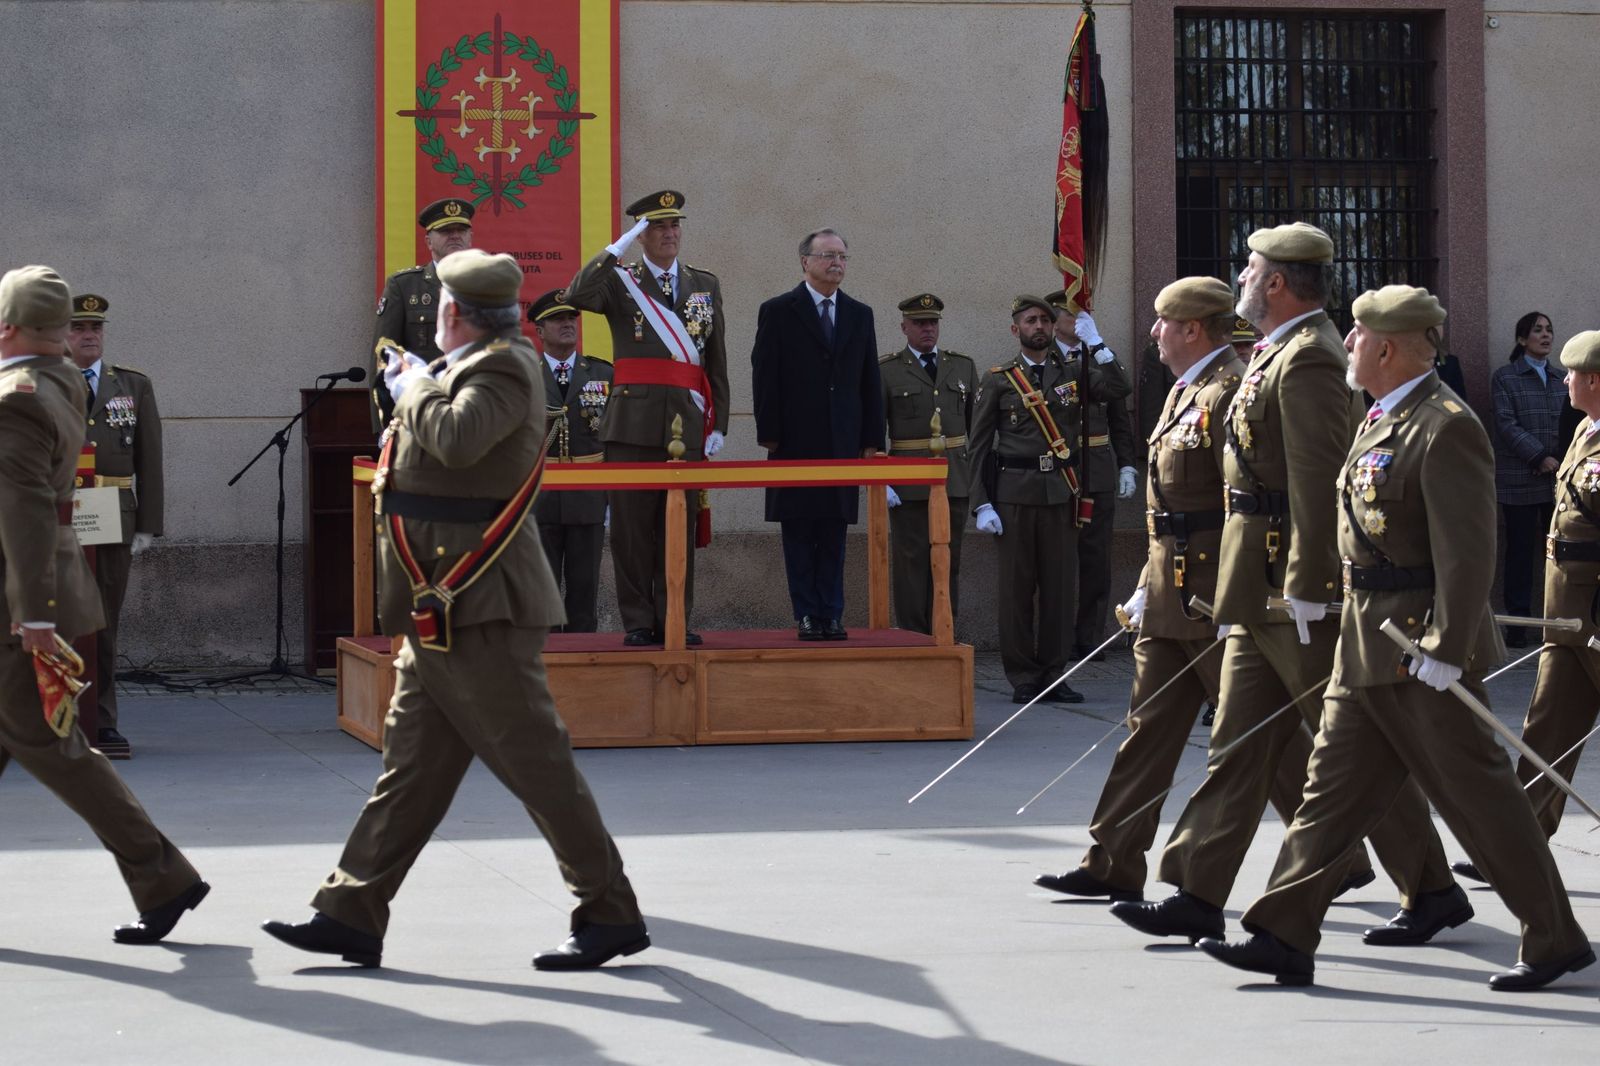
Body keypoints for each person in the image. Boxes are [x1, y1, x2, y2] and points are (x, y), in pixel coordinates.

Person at [1198, 286, 1594, 992]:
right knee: (1329, 795)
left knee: (1483, 800)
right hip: (1364, 642)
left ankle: (1554, 938)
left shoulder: (1445, 426)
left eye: (1356, 336)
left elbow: (1467, 552)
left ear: (1386, 348)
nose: (1346, 345)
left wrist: (1447, 645)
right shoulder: (1383, 417)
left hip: (1417, 651)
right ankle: (1282, 932)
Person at [264, 250, 646, 971]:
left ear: (452, 312)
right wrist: (420, 382)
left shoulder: (505, 368)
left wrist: (410, 386)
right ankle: (351, 912)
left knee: (537, 765)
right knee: (410, 772)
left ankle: (609, 912)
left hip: (483, 606)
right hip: (438, 606)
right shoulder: (460, 368)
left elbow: (457, 439)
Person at [1111, 224, 1455, 945]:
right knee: (1237, 743)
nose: (1240, 277)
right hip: (1250, 583)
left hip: (1292, 591)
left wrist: (1309, 582)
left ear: (1275, 282)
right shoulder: (1277, 350)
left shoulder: (1312, 357)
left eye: (1250, 268)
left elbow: (1320, 477)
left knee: (1349, 745)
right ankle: (1197, 891)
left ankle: (1430, 887)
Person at [1033, 277, 1358, 900]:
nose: (1154, 332)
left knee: (1259, 734)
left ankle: (1336, 856)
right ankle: (1112, 861)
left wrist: (1248, 589)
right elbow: (1169, 504)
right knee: (1149, 728)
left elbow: (1246, 502)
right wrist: (1145, 581)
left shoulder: (1230, 389)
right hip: (1169, 588)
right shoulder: (1186, 387)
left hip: (1214, 593)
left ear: (1192, 329)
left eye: (1164, 322)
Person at [0, 264, 207, 945]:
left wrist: (34, 616)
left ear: (6, 327)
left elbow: (26, 513)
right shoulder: (61, 378)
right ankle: (162, 876)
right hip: (32, 592)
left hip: (16, 605)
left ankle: (163, 875)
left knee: (56, 749)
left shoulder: (19, 397)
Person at [1455, 329, 1600, 885]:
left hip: (1595, 615)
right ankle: (1511, 851)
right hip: (1568, 614)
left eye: (1573, 374)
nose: (1566, 382)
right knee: (1545, 734)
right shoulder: (1586, 430)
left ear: (1594, 380)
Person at [567, 190, 729, 647]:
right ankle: (638, 620)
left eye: (674, 224)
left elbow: (715, 359)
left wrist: (718, 423)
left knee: (678, 527)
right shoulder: (620, 281)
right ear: (640, 234)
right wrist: (614, 249)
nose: (669, 233)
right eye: (658, 226)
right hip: (631, 423)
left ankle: (675, 616)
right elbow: (577, 294)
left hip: (688, 420)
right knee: (632, 531)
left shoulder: (703, 283)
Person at [751, 229, 884, 640]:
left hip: (842, 440)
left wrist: (871, 439)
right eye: (827, 255)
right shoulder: (779, 310)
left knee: (833, 529)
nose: (836, 263)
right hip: (794, 440)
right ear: (805, 261)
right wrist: (769, 433)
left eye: (842, 256)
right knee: (798, 528)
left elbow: (869, 380)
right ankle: (806, 612)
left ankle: (832, 611)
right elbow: (764, 375)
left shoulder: (859, 314)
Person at [967, 296, 1086, 704]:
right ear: (1016, 329)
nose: (1040, 326)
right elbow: (978, 447)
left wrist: (1097, 345)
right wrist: (981, 503)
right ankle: (1022, 676)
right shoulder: (999, 379)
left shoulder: (1072, 372)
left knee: (1059, 590)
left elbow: (1117, 388)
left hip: (1060, 494)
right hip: (1013, 497)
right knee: (1016, 591)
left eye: (1046, 320)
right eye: (1031, 320)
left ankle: (1054, 674)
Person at [65, 293, 162, 758]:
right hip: (56, 516)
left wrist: (148, 524)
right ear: (62, 335)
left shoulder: (132, 385)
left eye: (96, 328)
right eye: (79, 328)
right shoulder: (42, 381)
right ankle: (50, 717)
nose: (89, 336)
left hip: (112, 515)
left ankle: (101, 721)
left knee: (103, 621)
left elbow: (150, 457)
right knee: (51, 619)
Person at [1042, 291, 1136, 659]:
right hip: (1059, 471)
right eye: (1073, 313)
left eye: (1085, 313)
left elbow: (1119, 416)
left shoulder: (1100, 356)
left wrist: (1126, 463)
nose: (1081, 319)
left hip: (1097, 471)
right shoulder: (1043, 358)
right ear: (1055, 321)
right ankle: (1059, 636)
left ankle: (1090, 636)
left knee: (1096, 560)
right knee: (1058, 559)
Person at [880, 293, 977, 634]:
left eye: (933, 322)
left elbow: (975, 430)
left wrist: (977, 483)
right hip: (908, 484)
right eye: (919, 323)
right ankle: (912, 636)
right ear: (904, 327)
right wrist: (882, 481)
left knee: (950, 560)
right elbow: (875, 431)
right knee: (911, 563)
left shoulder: (962, 366)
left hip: (954, 480)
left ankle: (944, 631)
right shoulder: (888, 370)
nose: (927, 329)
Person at [529, 288, 611, 633]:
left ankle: (585, 656)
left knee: (584, 590)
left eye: (571, 318)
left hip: (587, 496)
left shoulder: (602, 374)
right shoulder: (523, 376)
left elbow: (613, 439)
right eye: (557, 320)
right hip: (538, 497)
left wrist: (612, 496)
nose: (567, 324)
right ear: (539, 331)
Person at [1491, 311, 1568, 646]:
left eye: (1549, 329)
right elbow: (1506, 424)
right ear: (1523, 339)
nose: (1546, 335)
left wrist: (1559, 460)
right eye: (1538, 330)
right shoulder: (1505, 377)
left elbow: (1572, 422)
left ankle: (1559, 620)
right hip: (1519, 479)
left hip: (1557, 479)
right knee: (1520, 553)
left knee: (1560, 552)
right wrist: (1538, 456)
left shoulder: (1561, 377)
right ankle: (1518, 626)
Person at [369, 197, 475, 431]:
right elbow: (385, 357)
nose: (455, 236)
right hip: (422, 419)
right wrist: (384, 427)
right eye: (445, 231)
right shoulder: (404, 287)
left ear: (470, 238)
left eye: (461, 230)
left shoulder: (488, 286)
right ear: (428, 241)